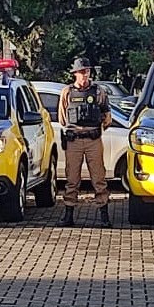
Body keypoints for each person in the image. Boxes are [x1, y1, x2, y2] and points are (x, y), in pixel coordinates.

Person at [57, 57, 113, 228]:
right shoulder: (67, 92)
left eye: (87, 71)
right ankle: (68, 215)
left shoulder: (98, 92)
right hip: (74, 140)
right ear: (74, 74)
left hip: (93, 140)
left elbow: (107, 116)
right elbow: (62, 118)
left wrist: (96, 128)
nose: (84, 75)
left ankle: (104, 215)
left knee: (99, 178)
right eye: (81, 72)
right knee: (72, 179)